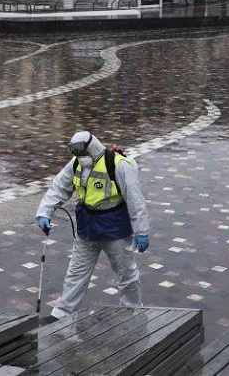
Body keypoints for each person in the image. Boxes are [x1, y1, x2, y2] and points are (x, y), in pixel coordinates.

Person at [35, 130, 150, 320]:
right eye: (78, 155)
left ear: (93, 148)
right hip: (87, 228)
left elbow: (135, 200)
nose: (82, 159)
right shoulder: (75, 164)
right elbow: (59, 187)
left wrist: (141, 231)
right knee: (76, 273)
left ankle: (133, 312)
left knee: (126, 275)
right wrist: (44, 213)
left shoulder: (118, 165)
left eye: (84, 154)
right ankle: (62, 313)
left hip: (115, 229)